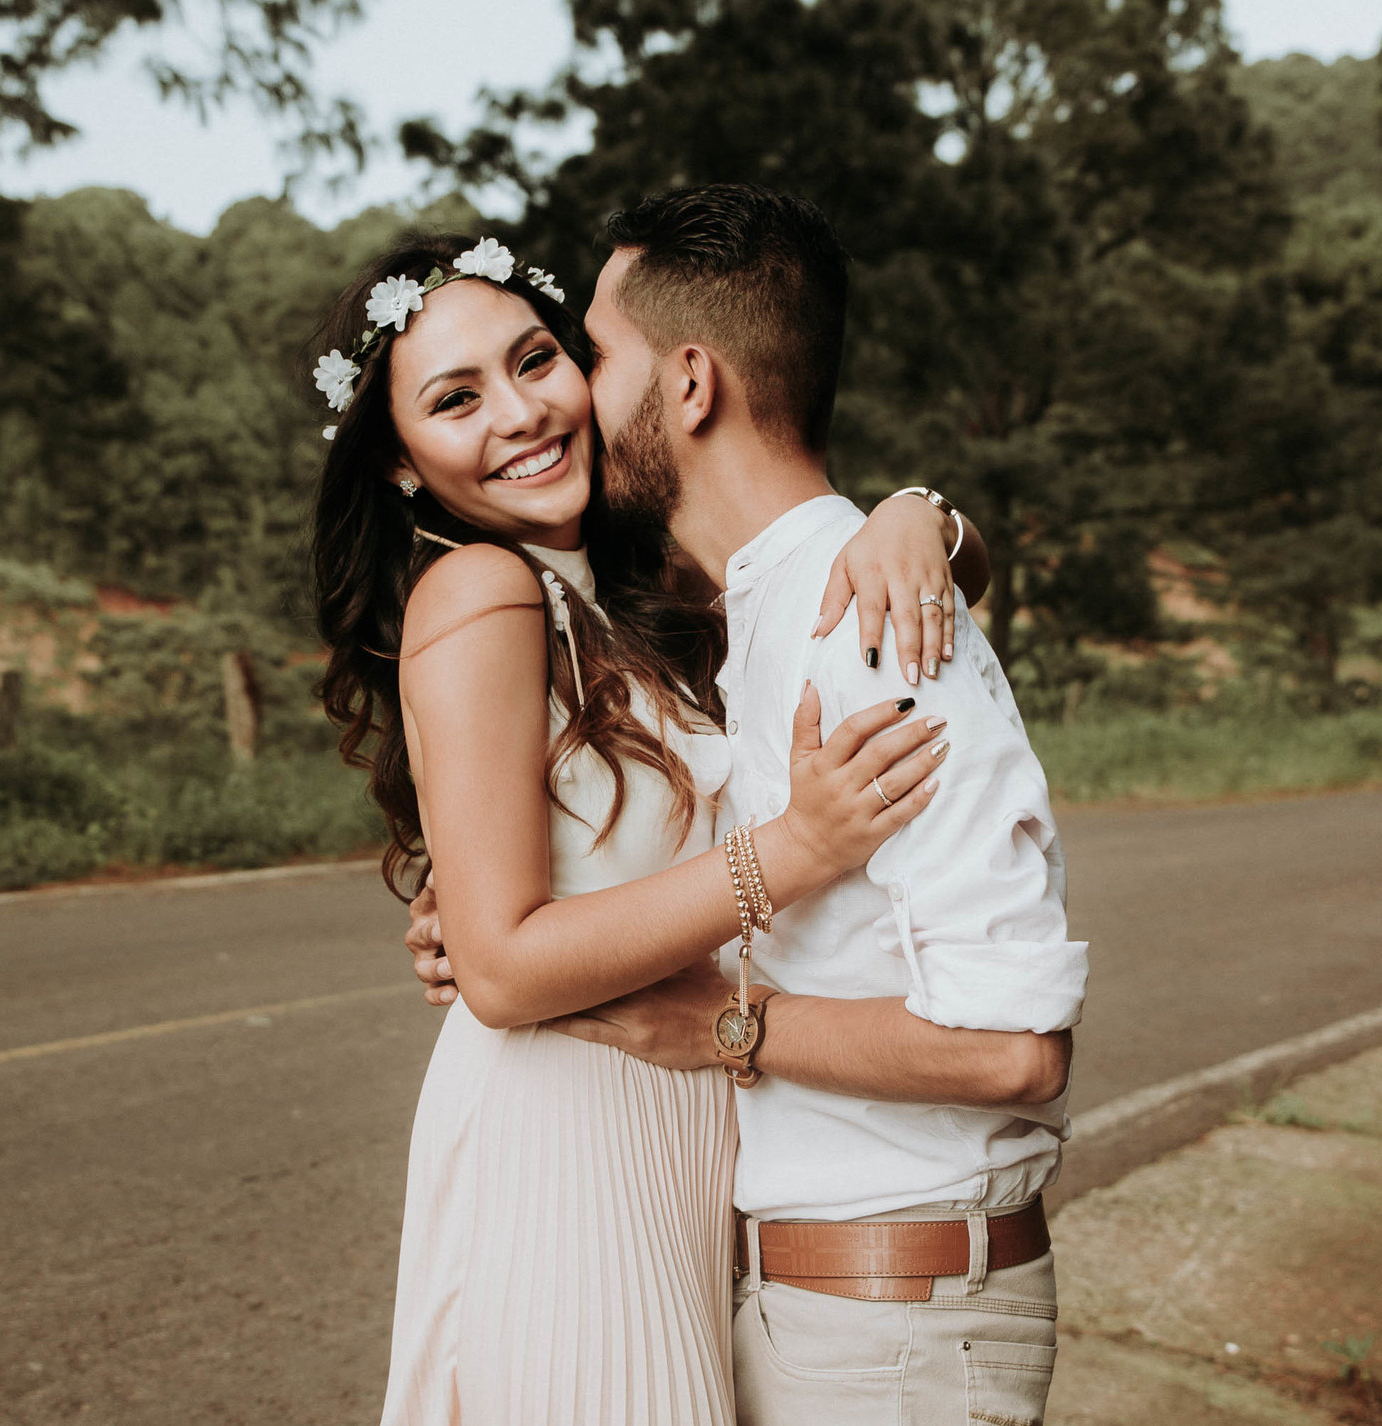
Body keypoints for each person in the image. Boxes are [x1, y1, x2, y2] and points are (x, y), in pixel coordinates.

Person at [410, 185, 1086, 1426]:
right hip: (785, 1286)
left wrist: (726, 1027)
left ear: (688, 382)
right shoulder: (742, 608)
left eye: (572, 356)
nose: (548, 405)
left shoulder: (861, 619)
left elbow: (1011, 1047)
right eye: (458, 396)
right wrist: (522, 911)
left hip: (891, 1323)